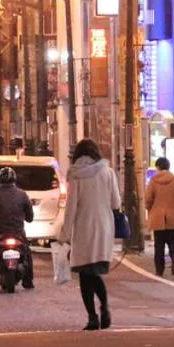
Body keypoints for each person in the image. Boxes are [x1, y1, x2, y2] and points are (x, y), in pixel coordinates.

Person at [59, 139, 121, 330]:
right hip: (104, 228)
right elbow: (116, 203)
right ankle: (105, 307)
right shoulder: (108, 172)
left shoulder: (76, 176)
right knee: (95, 272)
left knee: (85, 275)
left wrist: (64, 235)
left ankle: (92, 317)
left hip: (83, 230)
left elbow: (71, 208)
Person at [0, 166, 34, 290]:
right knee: (27, 254)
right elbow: (30, 217)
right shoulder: (23, 194)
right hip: (18, 233)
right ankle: (28, 281)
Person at [144, 157, 174, 277]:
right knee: (173, 241)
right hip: (172, 215)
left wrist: (150, 209)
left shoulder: (153, 181)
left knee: (159, 245)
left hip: (157, 217)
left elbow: (148, 199)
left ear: (158, 167)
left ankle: (159, 269)